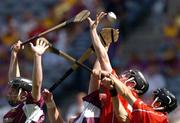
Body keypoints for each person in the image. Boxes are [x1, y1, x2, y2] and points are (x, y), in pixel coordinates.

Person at [88, 12, 149, 123]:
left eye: (127, 75)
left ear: (132, 84)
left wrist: (93, 31)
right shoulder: (134, 104)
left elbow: (103, 59)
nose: (123, 75)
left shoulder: (118, 89)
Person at [97, 70, 177, 123]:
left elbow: (126, 93)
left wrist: (111, 77)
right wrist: (113, 91)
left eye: (153, 98)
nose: (149, 99)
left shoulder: (150, 114)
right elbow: (122, 117)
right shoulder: (159, 118)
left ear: (158, 104)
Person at [4, 38, 49, 123]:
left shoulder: (31, 106)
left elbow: (36, 85)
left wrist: (37, 55)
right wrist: (14, 53)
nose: (9, 92)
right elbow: (14, 80)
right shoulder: (16, 111)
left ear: (24, 94)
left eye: (13, 91)